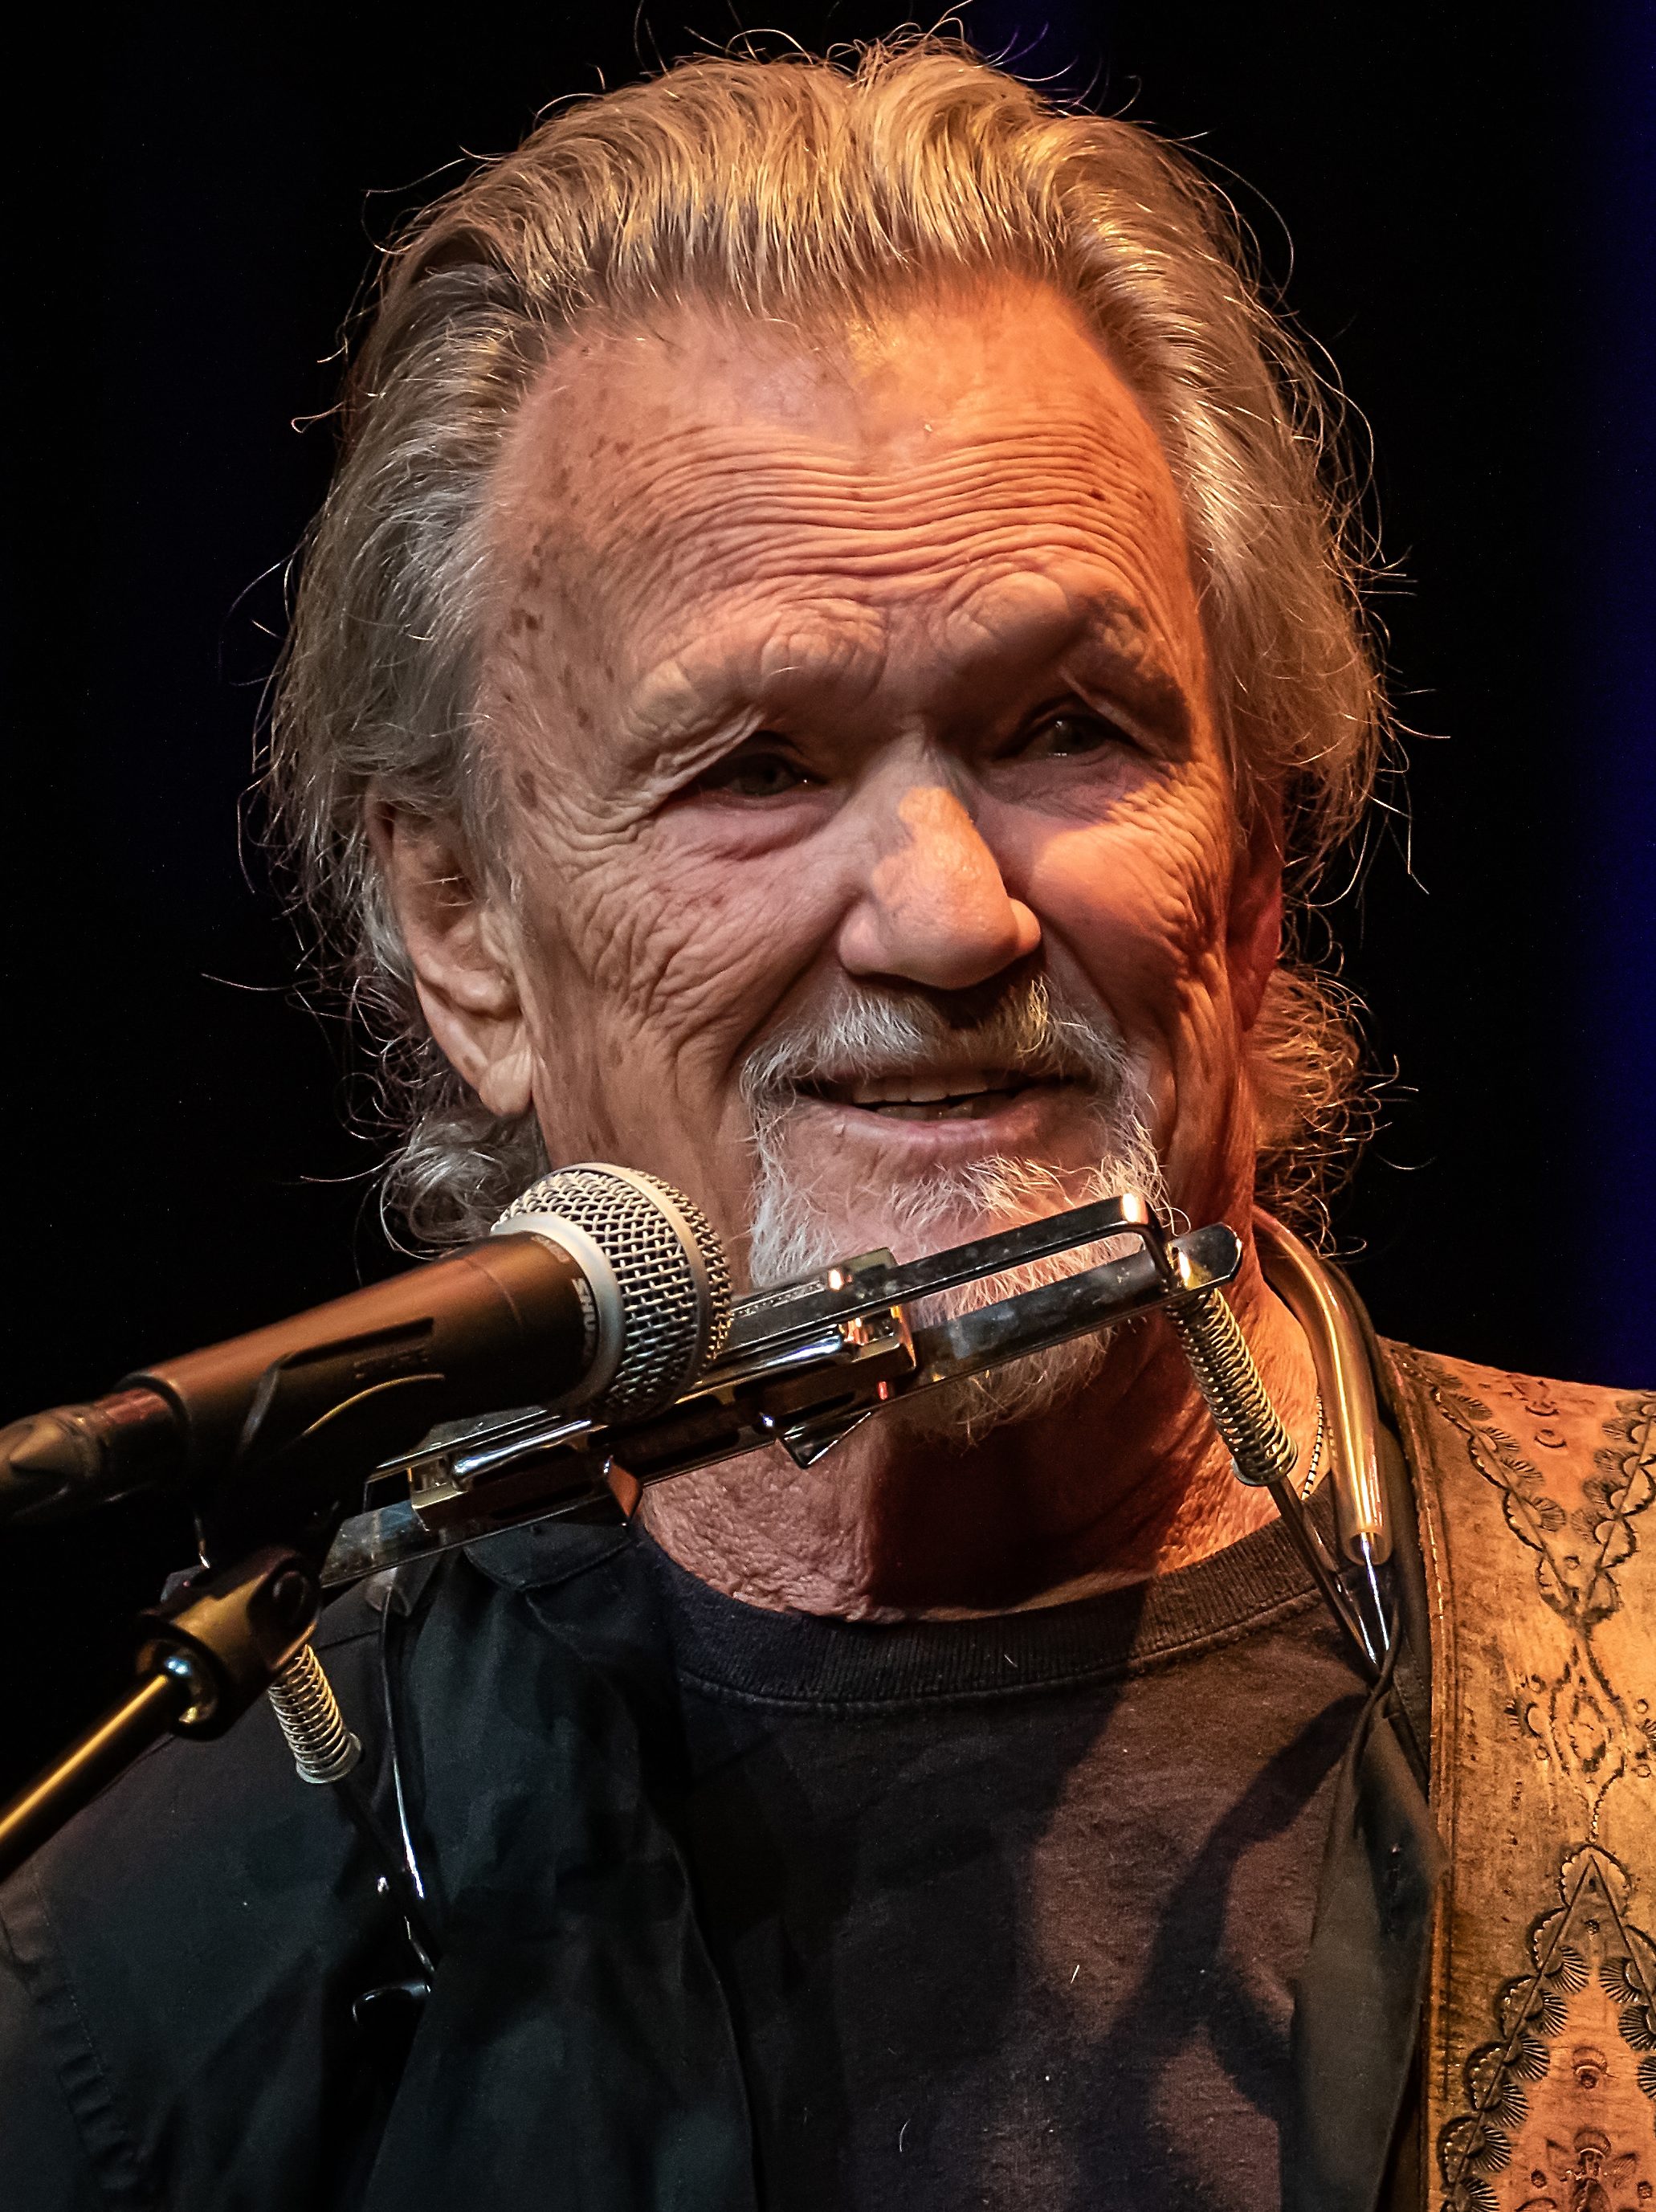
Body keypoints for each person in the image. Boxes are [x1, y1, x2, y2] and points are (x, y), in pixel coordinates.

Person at [2, 39, 1652, 2212]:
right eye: (758, 766)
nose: (953, 916)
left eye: (1071, 726)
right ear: (463, 926)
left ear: (1257, 866)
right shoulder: (164, 1961)